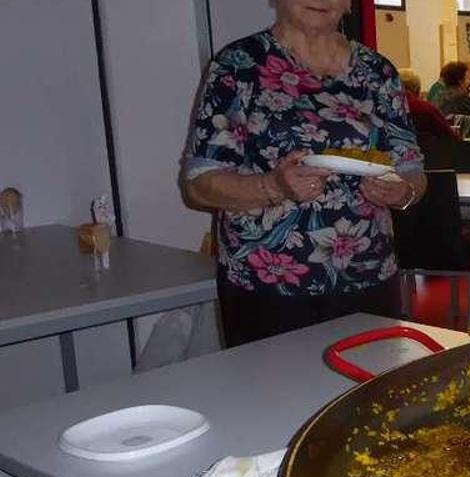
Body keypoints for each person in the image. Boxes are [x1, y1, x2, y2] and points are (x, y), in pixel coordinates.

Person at [180, 0, 426, 347]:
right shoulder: (238, 65)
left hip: (368, 275)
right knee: (271, 398)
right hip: (266, 285)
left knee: (367, 392)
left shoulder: (377, 71)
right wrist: (272, 186)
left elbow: (412, 171)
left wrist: (402, 193)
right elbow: (198, 185)